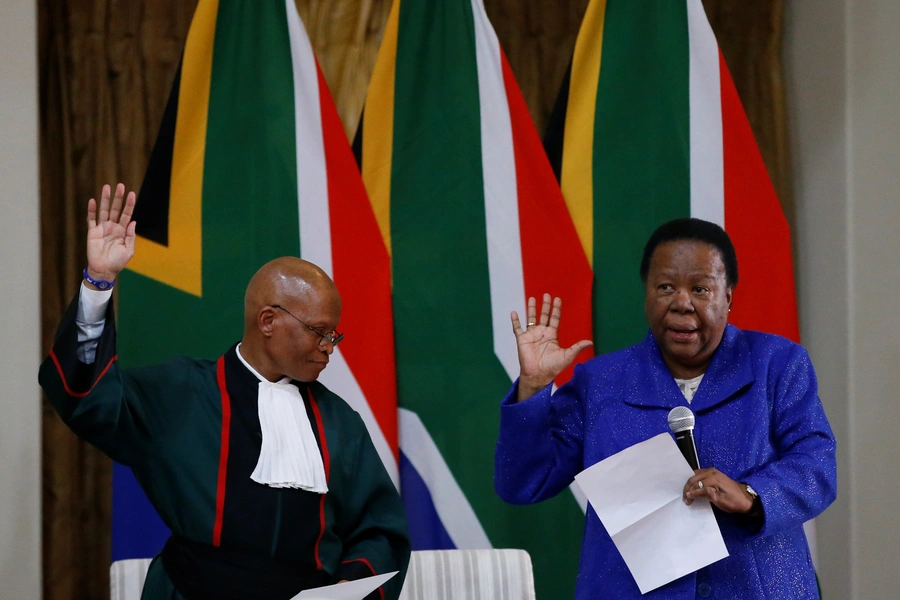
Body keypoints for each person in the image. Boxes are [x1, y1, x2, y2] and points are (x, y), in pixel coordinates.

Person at [40, 183, 410, 600]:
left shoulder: (341, 423)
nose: (328, 348)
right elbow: (83, 398)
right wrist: (100, 282)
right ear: (268, 321)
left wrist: (350, 585)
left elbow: (378, 530)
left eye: (333, 336)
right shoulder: (181, 393)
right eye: (318, 333)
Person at [494, 217, 836, 599]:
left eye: (701, 289)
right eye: (666, 287)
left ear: (728, 296)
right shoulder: (600, 382)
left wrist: (750, 494)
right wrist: (533, 388)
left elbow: (817, 465)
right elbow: (523, 483)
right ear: (646, 294)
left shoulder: (778, 364)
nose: (682, 303)